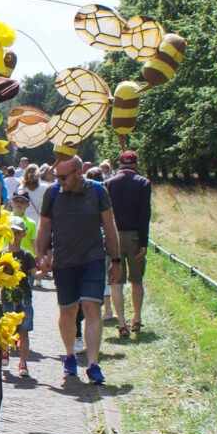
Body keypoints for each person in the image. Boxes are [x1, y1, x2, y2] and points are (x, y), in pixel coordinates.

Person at [35, 155, 121, 385]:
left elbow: (109, 226)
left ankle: (93, 364)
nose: (59, 181)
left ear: (79, 172)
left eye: (63, 177)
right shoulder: (52, 193)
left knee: (92, 308)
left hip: (92, 259)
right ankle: (70, 355)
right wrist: (41, 255)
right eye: (57, 176)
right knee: (67, 311)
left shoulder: (98, 192)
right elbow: (44, 226)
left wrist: (116, 260)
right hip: (64, 262)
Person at [106, 150, 152, 337]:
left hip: (113, 236)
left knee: (116, 281)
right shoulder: (143, 183)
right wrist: (144, 241)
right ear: (136, 164)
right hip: (134, 235)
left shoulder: (108, 183)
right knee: (136, 280)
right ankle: (137, 318)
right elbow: (144, 215)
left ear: (119, 164)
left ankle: (122, 322)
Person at [85, 167, 115, 321]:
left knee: (100, 276)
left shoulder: (90, 193)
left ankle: (103, 309)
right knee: (105, 276)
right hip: (107, 237)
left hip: (95, 239)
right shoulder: (106, 190)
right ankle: (108, 309)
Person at [8, 216, 37, 378]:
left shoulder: (26, 255)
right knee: (4, 329)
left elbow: (35, 274)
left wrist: (44, 270)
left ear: (24, 234)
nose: (14, 235)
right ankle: (4, 352)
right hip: (6, 298)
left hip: (24, 297)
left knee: (24, 331)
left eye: (17, 232)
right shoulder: (2, 254)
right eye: (11, 232)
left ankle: (23, 362)